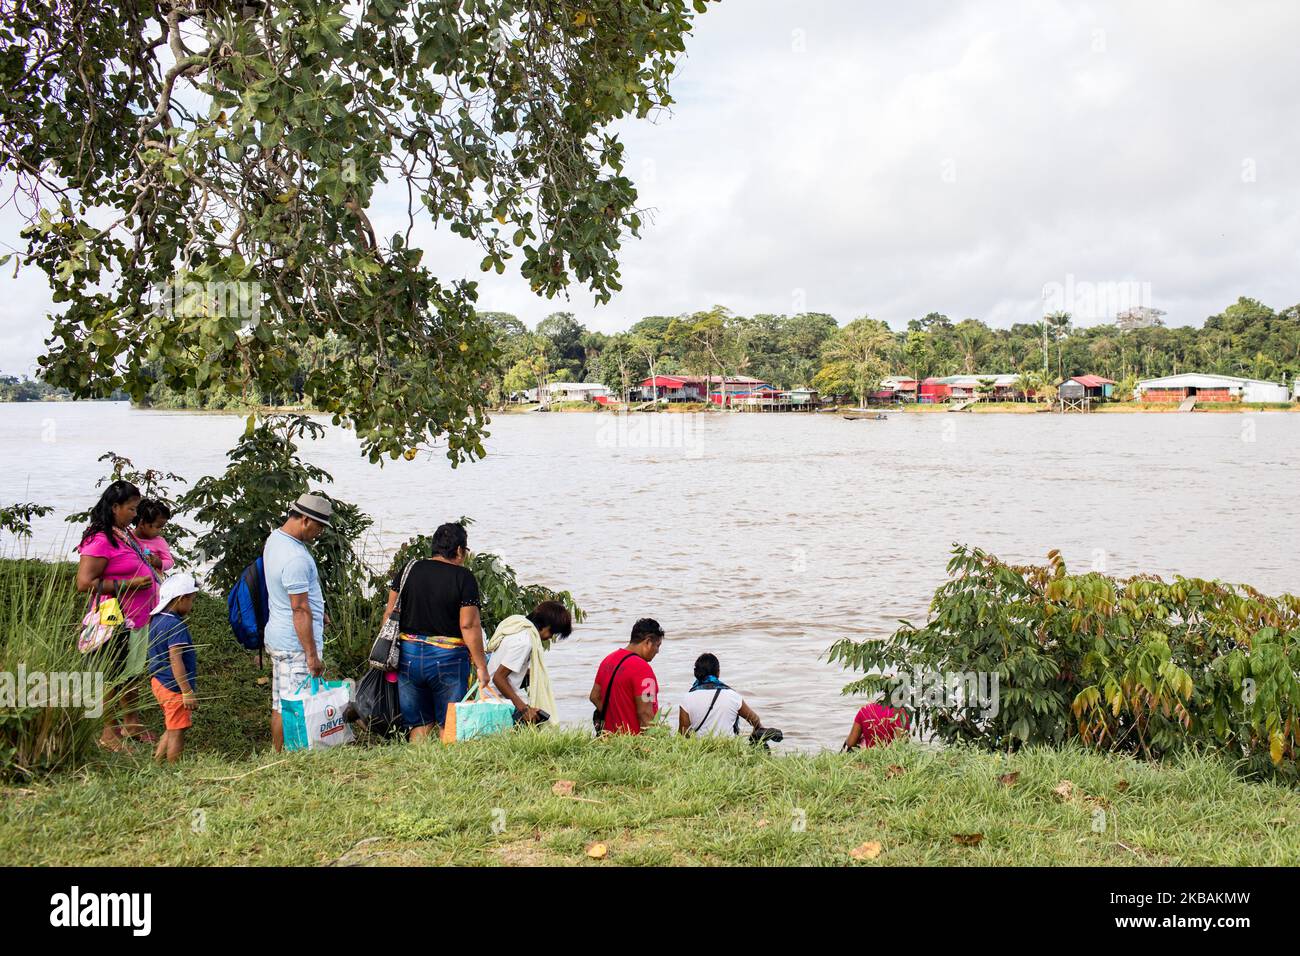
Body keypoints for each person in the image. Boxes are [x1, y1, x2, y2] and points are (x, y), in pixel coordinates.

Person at [382, 522, 490, 742]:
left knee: (419, 723)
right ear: (459, 550)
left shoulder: (409, 569)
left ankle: (418, 768)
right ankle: (447, 771)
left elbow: (389, 614)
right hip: (448, 657)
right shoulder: (463, 577)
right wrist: (481, 666)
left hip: (409, 655)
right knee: (448, 723)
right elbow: (468, 626)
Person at [75, 479, 162, 750]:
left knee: (131, 672)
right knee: (112, 675)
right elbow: (84, 583)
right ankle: (109, 733)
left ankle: (131, 723)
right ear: (115, 507)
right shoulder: (100, 539)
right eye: (132, 509)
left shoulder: (122, 534)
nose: (136, 515)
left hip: (136, 617)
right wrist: (131, 584)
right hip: (113, 619)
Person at [263, 493, 331, 753]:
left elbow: (294, 597)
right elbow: (299, 609)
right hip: (295, 647)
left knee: (281, 704)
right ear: (305, 520)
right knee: (298, 708)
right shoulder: (296, 558)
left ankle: (277, 753)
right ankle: (293, 757)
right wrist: (311, 656)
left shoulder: (275, 539)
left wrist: (318, 611)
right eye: (319, 527)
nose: (319, 533)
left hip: (278, 637)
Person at [486, 600, 573, 724]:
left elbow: (509, 670)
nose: (550, 637)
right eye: (552, 632)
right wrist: (524, 709)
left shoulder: (520, 628)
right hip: (495, 703)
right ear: (547, 626)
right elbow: (498, 678)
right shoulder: (524, 642)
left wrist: (534, 675)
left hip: (494, 697)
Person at [146, 572, 199, 763]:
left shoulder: (157, 620)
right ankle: (173, 769)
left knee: (171, 726)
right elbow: (176, 660)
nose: (191, 605)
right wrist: (186, 691)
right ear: (181, 599)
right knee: (177, 731)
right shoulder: (176, 626)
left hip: (158, 681)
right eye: (191, 600)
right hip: (173, 686)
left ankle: (157, 762)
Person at [589, 618, 663, 735]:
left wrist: (613, 717)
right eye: (658, 645)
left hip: (609, 739)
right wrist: (655, 744)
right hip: (633, 743)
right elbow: (645, 713)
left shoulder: (608, 660)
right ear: (648, 642)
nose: (657, 651)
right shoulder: (643, 669)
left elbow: (594, 696)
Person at [677, 653, 761, 738]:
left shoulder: (687, 698)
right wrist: (756, 733)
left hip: (700, 749)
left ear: (696, 673)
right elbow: (755, 720)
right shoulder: (732, 696)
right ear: (718, 673)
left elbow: (683, 734)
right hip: (729, 748)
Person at [843, 698, 910, 750]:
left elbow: (850, 743)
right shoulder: (901, 713)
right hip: (891, 759)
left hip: (867, 756)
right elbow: (901, 744)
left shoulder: (866, 709)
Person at [132, 499, 176, 576]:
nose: (160, 531)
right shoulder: (128, 537)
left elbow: (170, 561)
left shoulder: (160, 542)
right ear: (142, 523)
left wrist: (159, 562)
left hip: (152, 581)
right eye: (158, 527)